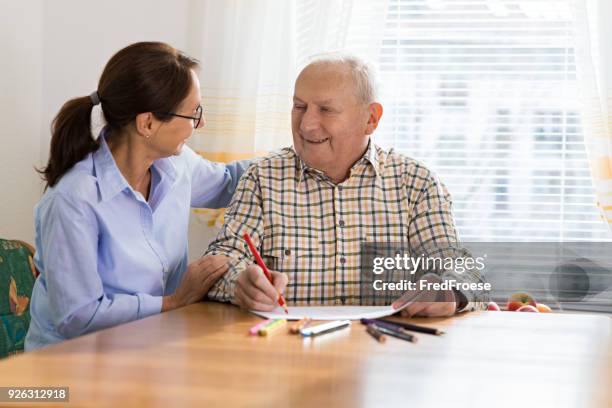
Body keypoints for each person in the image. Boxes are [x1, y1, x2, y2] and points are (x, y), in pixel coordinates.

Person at [206, 55, 488, 317]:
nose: (306, 124)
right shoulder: (261, 178)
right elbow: (220, 263)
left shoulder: (416, 183)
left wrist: (449, 292)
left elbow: (464, 271)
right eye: (300, 107)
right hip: (286, 352)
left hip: (385, 355)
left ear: (371, 119)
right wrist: (239, 283)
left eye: (326, 110)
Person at [25, 42, 250, 350]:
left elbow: (230, 182)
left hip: (149, 349)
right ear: (148, 123)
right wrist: (174, 301)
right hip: (71, 366)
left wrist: (297, 154)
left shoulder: (176, 164)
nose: (200, 123)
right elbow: (78, 316)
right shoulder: (74, 199)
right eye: (193, 113)